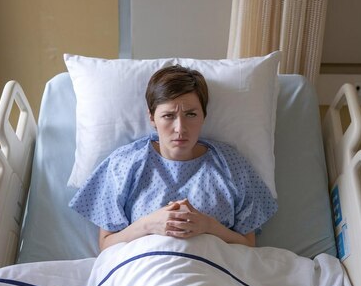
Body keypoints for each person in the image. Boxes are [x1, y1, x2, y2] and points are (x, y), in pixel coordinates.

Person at [69, 65, 277, 251]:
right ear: (152, 118)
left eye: (191, 114)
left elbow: (248, 245)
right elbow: (106, 245)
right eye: (168, 116)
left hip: (213, 276)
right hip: (145, 277)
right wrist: (149, 224)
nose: (180, 128)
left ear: (204, 115)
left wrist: (208, 226)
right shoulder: (124, 164)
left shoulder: (231, 165)